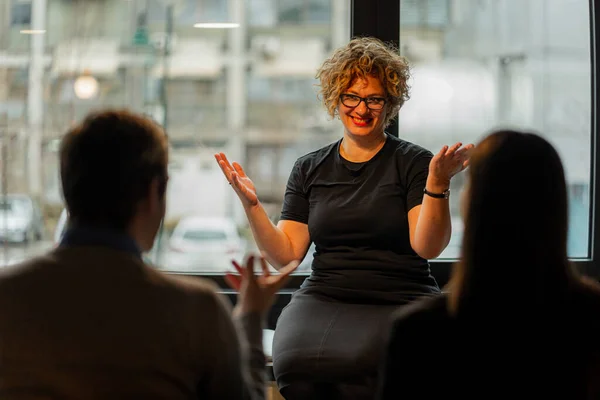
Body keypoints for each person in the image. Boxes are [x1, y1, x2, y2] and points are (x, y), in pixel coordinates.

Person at [216, 37, 473, 399]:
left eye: (374, 99)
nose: (362, 109)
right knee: (298, 365)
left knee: (382, 370)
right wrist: (252, 206)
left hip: (402, 296)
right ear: (336, 100)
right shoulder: (309, 167)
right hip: (325, 294)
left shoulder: (415, 163)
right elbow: (287, 254)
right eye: (351, 97)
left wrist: (437, 182)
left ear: (390, 103)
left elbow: (427, 246)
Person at [0, 109, 298, 399]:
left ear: (67, 188)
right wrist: (250, 316)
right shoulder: (196, 311)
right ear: (155, 191)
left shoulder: (8, 294)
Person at [377, 130, 600, 400]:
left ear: (475, 204)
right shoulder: (589, 315)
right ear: (557, 203)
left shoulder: (420, 330)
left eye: (470, 182)